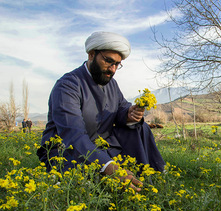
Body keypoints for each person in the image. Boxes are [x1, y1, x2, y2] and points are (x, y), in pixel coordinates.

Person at [37, 31, 165, 192]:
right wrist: (109, 167)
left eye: (117, 64)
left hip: (102, 145)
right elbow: (72, 134)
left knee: (140, 127)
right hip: (68, 149)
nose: (112, 69)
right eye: (108, 61)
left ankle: (150, 174)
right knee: (92, 187)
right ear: (91, 55)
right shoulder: (68, 86)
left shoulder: (111, 83)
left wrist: (128, 114)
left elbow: (121, 107)